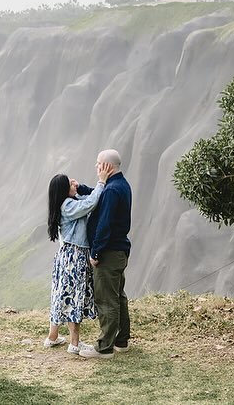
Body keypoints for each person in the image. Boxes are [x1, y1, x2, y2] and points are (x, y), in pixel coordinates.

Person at [45, 160, 113, 355]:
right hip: (75, 256)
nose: (74, 185)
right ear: (64, 191)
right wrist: (101, 182)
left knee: (60, 295)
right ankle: (75, 344)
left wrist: (77, 187)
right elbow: (91, 203)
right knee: (73, 297)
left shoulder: (64, 203)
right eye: (70, 184)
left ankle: (53, 336)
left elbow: (85, 199)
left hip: (66, 256)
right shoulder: (68, 206)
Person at [80, 149, 132, 359]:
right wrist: (81, 189)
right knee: (118, 297)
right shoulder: (120, 184)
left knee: (106, 299)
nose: (96, 166)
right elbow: (100, 195)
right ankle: (121, 340)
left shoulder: (111, 190)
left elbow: (105, 224)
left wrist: (96, 251)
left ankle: (104, 347)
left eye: (98, 163)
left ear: (107, 166)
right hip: (119, 251)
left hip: (109, 253)